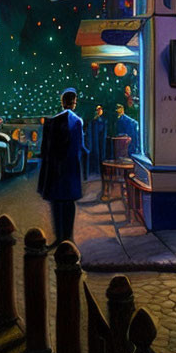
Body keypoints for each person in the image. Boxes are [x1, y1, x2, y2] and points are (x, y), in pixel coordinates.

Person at [37, 88, 89, 248]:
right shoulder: (78, 121)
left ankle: (59, 238)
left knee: (56, 203)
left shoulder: (52, 122)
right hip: (71, 167)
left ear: (62, 102)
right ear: (73, 103)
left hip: (55, 168)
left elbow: (45, 149)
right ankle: (68, 238)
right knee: (69, 203)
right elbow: (81, 146)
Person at [88, 104, 108, 175]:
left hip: (102, 141)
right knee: (96, 153)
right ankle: (96, 170)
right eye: (98, 110)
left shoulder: (104, 121)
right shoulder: (93, 122)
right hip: (95, 141)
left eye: (100, 109)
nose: (99, 111)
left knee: (102, 154)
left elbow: (104, 132)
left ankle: (102, 170)